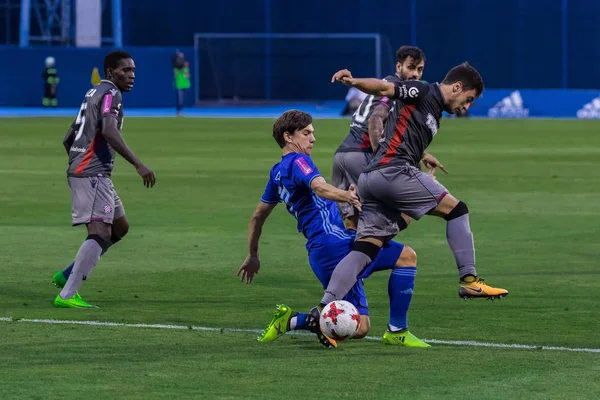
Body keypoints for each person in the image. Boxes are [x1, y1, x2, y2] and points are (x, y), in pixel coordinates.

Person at [315, 63, 508, 319]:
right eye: (468, 99)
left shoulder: (433, 110)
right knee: (457, 210)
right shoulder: (423, 91)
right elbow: (384, 87)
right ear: (457, 87)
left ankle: (322, 309)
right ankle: (469, 280)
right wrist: (353, 83)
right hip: (393, 172)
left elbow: (401, 134)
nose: (466, 107)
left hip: (371, 178)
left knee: (366, 248)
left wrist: (422, 155)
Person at [237, 110, 429, 348]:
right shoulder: (299, 161)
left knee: (360, 327)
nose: (313, 138)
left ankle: (292, 321)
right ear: (288, 136)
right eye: (306, 133)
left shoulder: (276, 173)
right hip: (335, 245)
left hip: (321, 252)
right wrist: (346, 196)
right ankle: (398, 330)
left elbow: (257, 217)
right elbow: (319, 187)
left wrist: (253, 255)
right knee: (406, 256)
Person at [52, 50, 156, 308]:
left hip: (91, 172)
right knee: (100, 231)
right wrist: (138, 164)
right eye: (126, 71)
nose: (131, 76)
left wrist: (77, 163)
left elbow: (69, 137)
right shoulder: (111, 94)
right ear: (111, 72)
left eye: (133, 71)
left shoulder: (92, 93)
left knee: (120, 227)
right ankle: (67, 294)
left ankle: (66, 274)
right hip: (92, 173)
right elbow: (109, 131)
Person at [332, 46, 446, 231]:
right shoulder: (395, 89)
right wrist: (383, 162)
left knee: (353, 224)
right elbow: (375, 120)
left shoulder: (389, 84)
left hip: (342, 155)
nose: (415, 74)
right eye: (411, 67)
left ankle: (347, 259)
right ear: (399, 66)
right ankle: (378, 256)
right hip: (363, 155)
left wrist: (422, 155)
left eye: (420, 69)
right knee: (398, 216)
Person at [173, 51, 190, 116]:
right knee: (179, 99)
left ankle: (180, 110)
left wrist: (184, 71)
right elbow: (175, 76)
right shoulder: (176, 67)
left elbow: (187, 76)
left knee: (182, 99)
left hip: (185, 85)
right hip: (179, 85)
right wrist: (178, 70)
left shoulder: (185, 68)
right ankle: (179, 111)